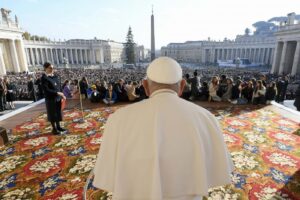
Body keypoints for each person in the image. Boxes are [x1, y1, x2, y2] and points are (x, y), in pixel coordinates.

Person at [93, 57, 233, 200]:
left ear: (145, 86)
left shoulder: (118, 119)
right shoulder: (206, 118)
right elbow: (218, 169)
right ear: (182, 86)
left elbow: (106, 176)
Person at [41, 62, 67, 135]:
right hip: (50, 99)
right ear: (45, 68)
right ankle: (54, 129)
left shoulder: (55, 76)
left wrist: (62, 95)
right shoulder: (44, 78)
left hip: (58, 98)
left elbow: (59, 86)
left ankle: (58, 126)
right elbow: (46, 90)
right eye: (50, 68)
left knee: (58, 113)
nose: (52, 69)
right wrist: (57, 93)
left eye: (52, 68)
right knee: (52, 114)